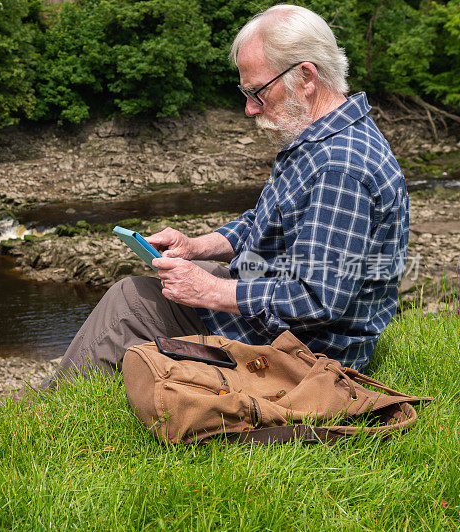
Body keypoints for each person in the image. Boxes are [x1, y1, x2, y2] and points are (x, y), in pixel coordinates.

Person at [41, 4, 408, 389]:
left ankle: (50, 414)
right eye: (244, 92)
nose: (249, 109)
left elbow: (317, 300)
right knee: (180, 282)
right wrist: (194, 247)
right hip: (288, 329)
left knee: (130, 301)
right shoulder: (320, 139)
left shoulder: (339, 167)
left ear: (306, 77)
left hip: (306, 359)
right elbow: (265, 221)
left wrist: (211, 291)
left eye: (256, 92)